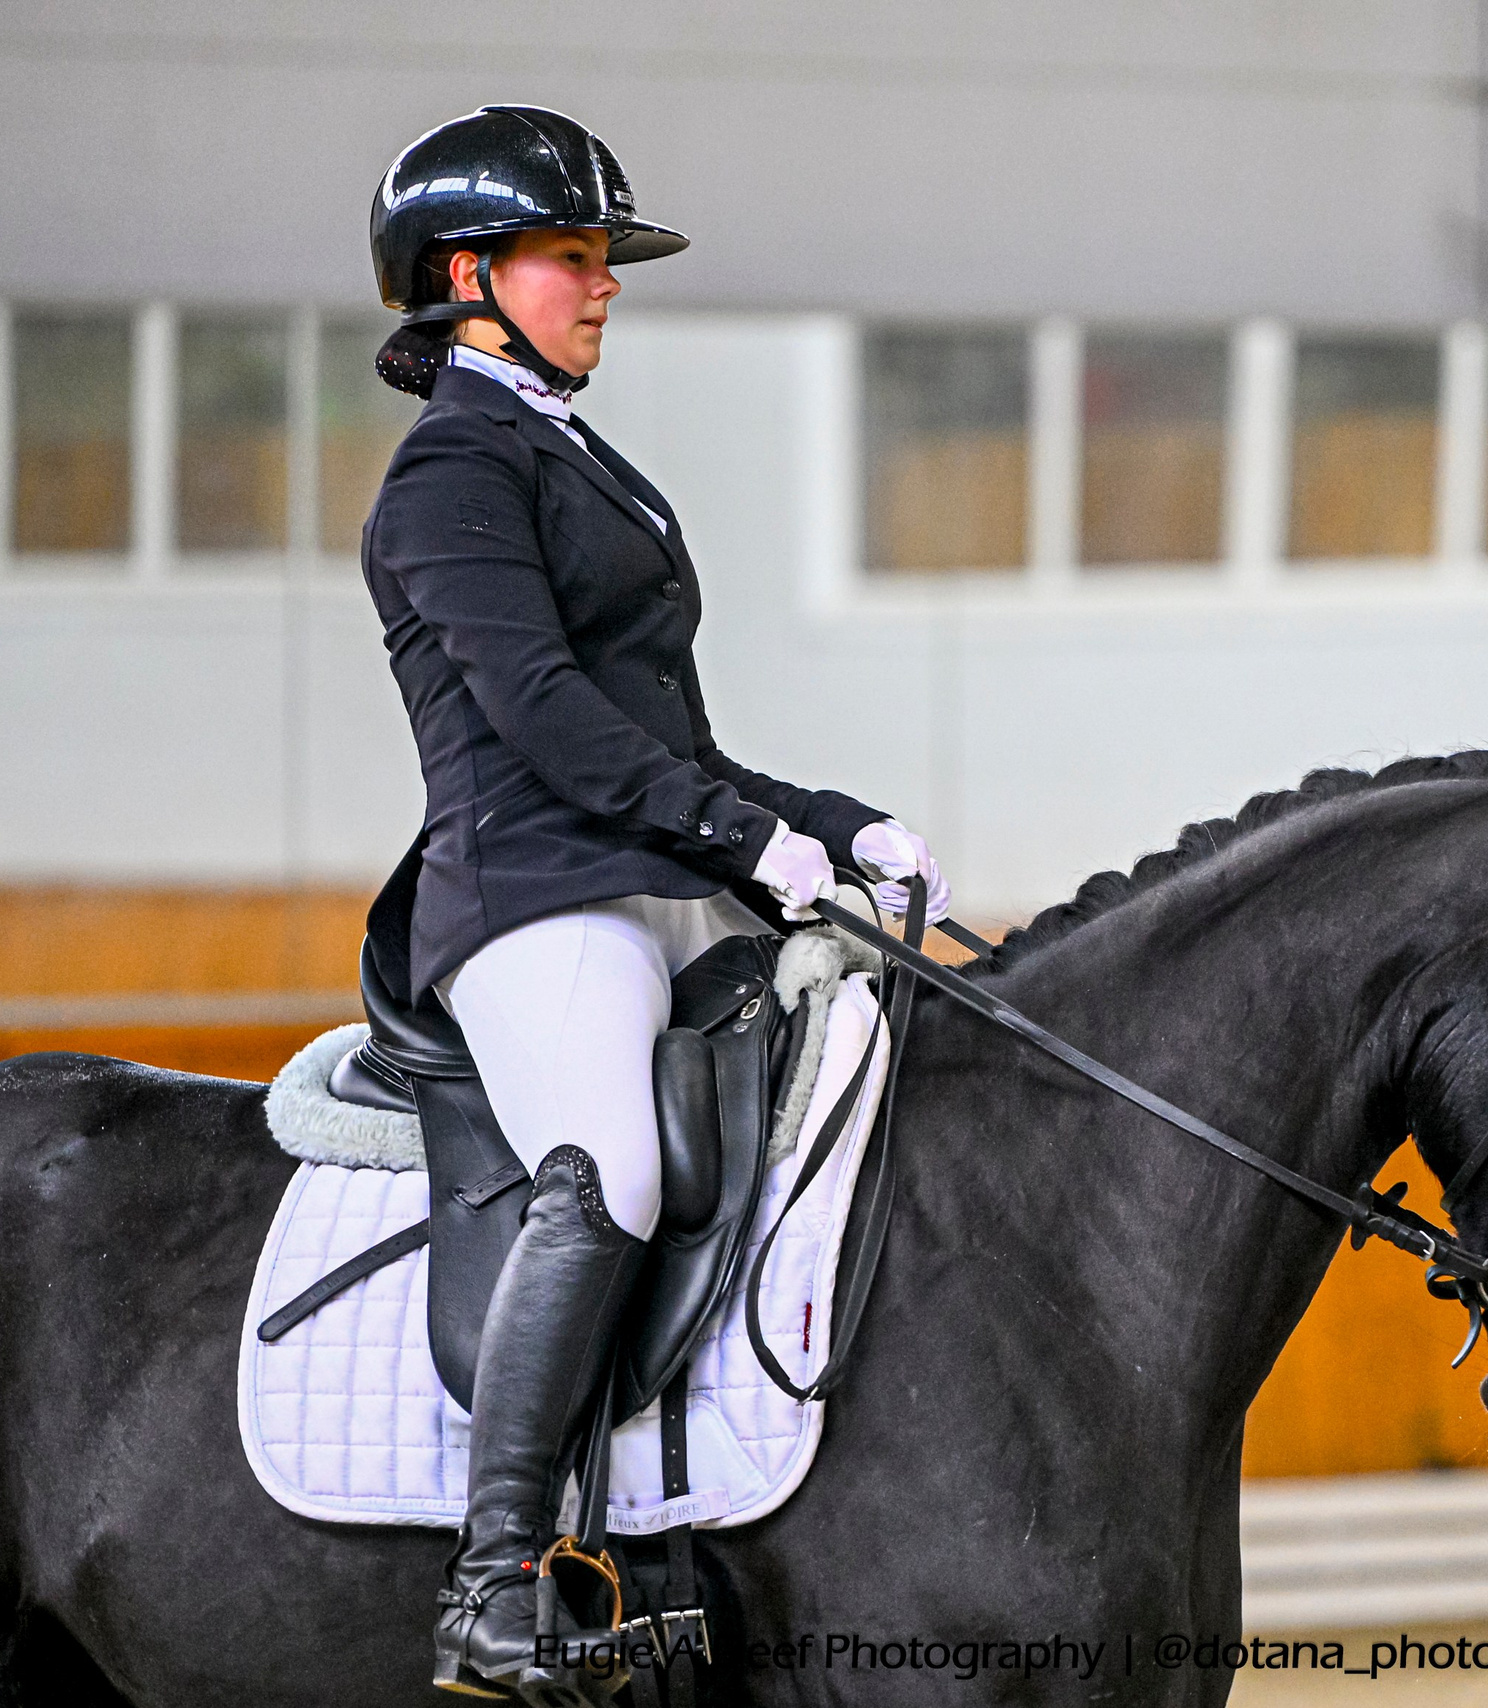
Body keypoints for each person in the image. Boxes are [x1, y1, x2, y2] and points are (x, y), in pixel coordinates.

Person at [360, 105, 949, 1704]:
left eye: (604, 258)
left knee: (875, 1061)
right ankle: (491, 1588)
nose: (601, 284)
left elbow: (665, 739)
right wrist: (736, 840)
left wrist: (827, 822)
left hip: (648, 875)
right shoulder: (451, 475)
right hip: (532, 898)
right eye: (572, 256)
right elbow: (544, 713)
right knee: (606, 1163)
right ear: (465, 274)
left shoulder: (569, 452)